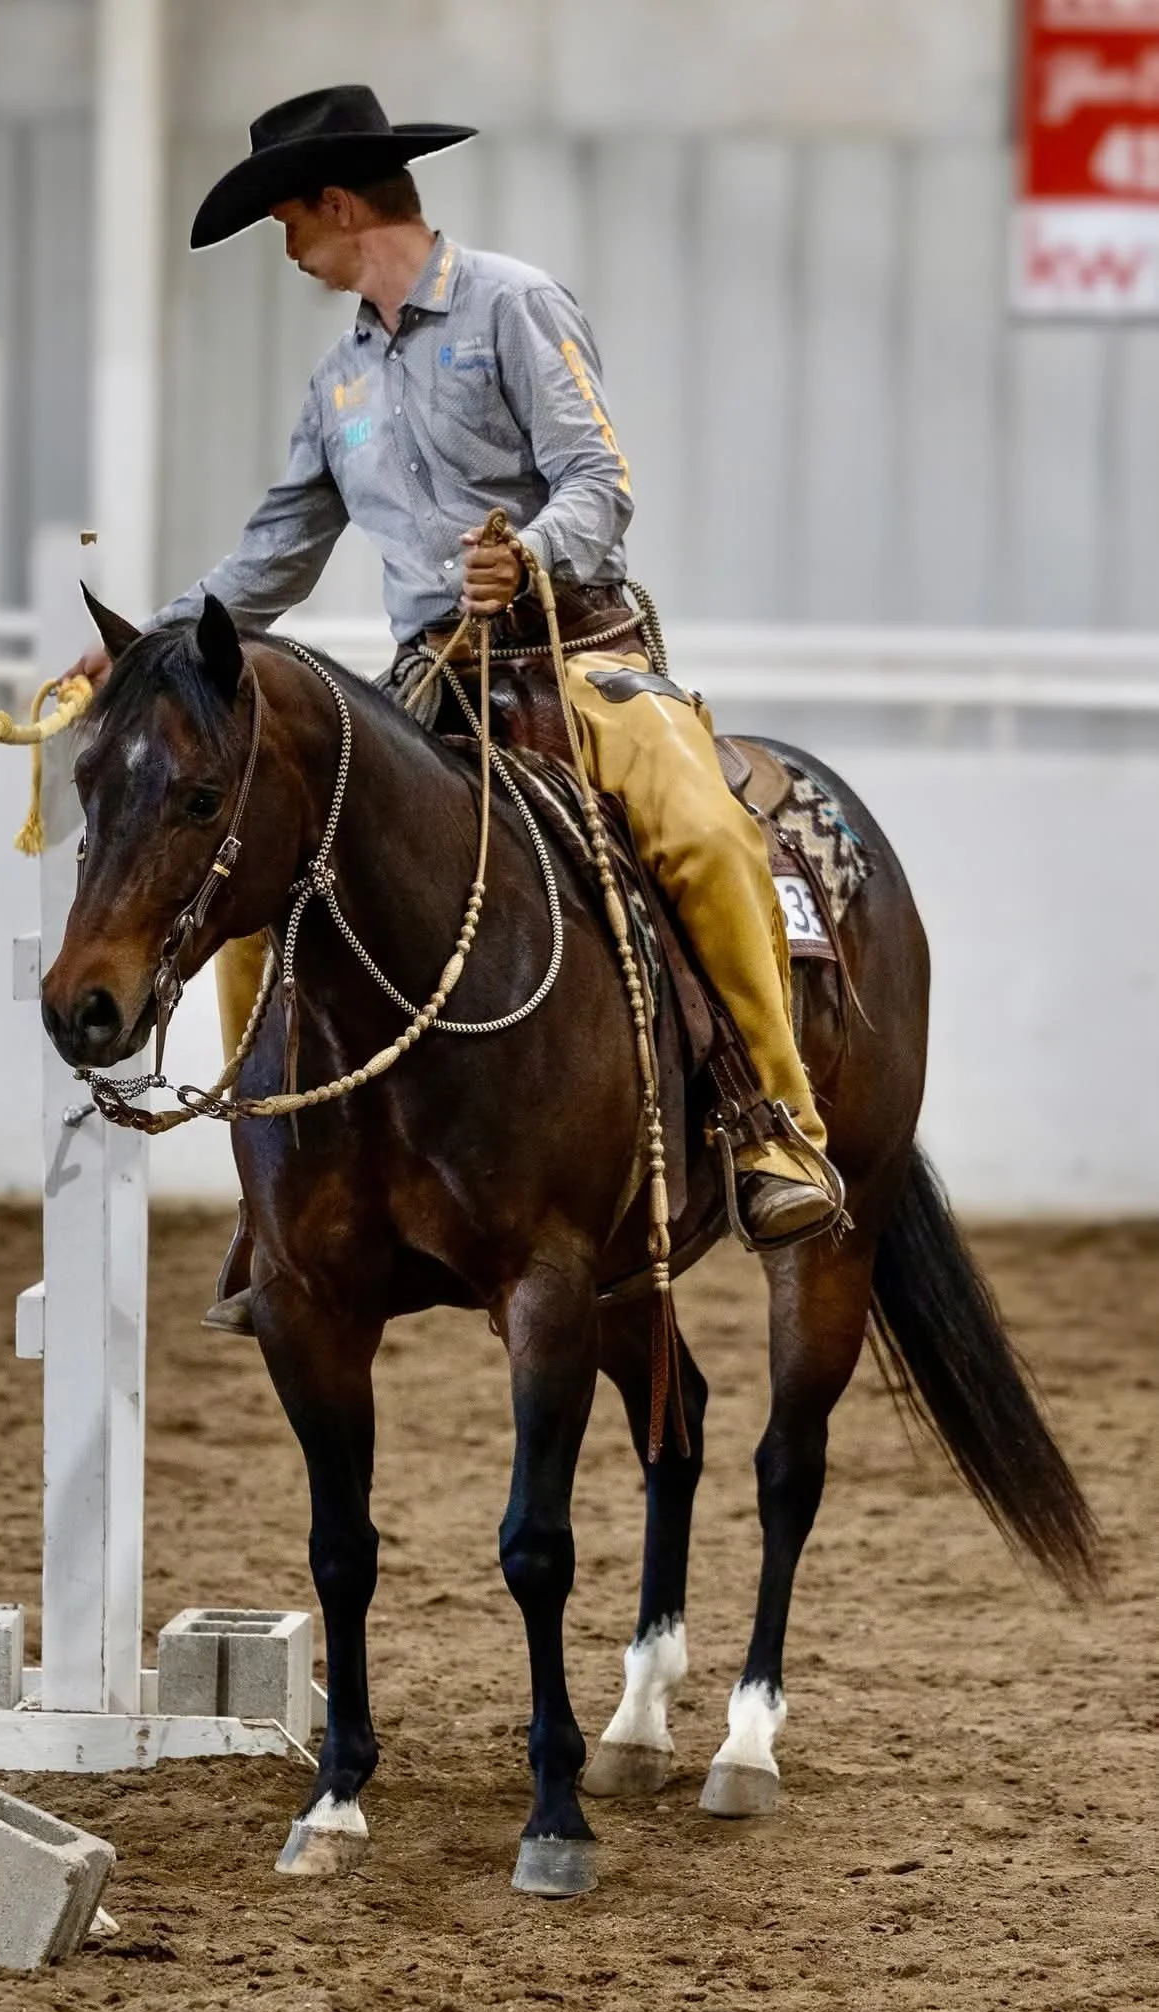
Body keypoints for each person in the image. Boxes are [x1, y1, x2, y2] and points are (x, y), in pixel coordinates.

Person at [69, 84, 837, 1309]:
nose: (286, 246)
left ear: (336, 204)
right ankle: (276, 1192)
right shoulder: (337, 382)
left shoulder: (513, 305)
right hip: (429, 681)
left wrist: (526, 556)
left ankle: (772, 1124)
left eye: (286, 220)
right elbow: (278, 549)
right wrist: (148, 644)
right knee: (257, 873)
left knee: (702, 833)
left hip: (573, 658)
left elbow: (598, 480)